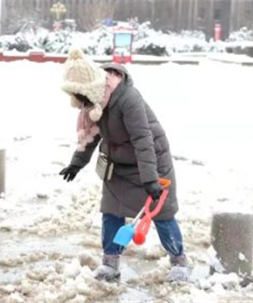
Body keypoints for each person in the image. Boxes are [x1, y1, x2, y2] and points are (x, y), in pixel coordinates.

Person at [59, 48, 190, 282]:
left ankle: (179, 261)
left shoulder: (128, 98)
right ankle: (110, 263)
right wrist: (76, 164)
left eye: (81, 98)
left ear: (89, 89)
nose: (81, 107)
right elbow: (90, 136)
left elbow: (143, 139)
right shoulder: (93, 104)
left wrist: (150, 179)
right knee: (111, 211)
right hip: (118, 163)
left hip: (151, 160)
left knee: (162, 213)